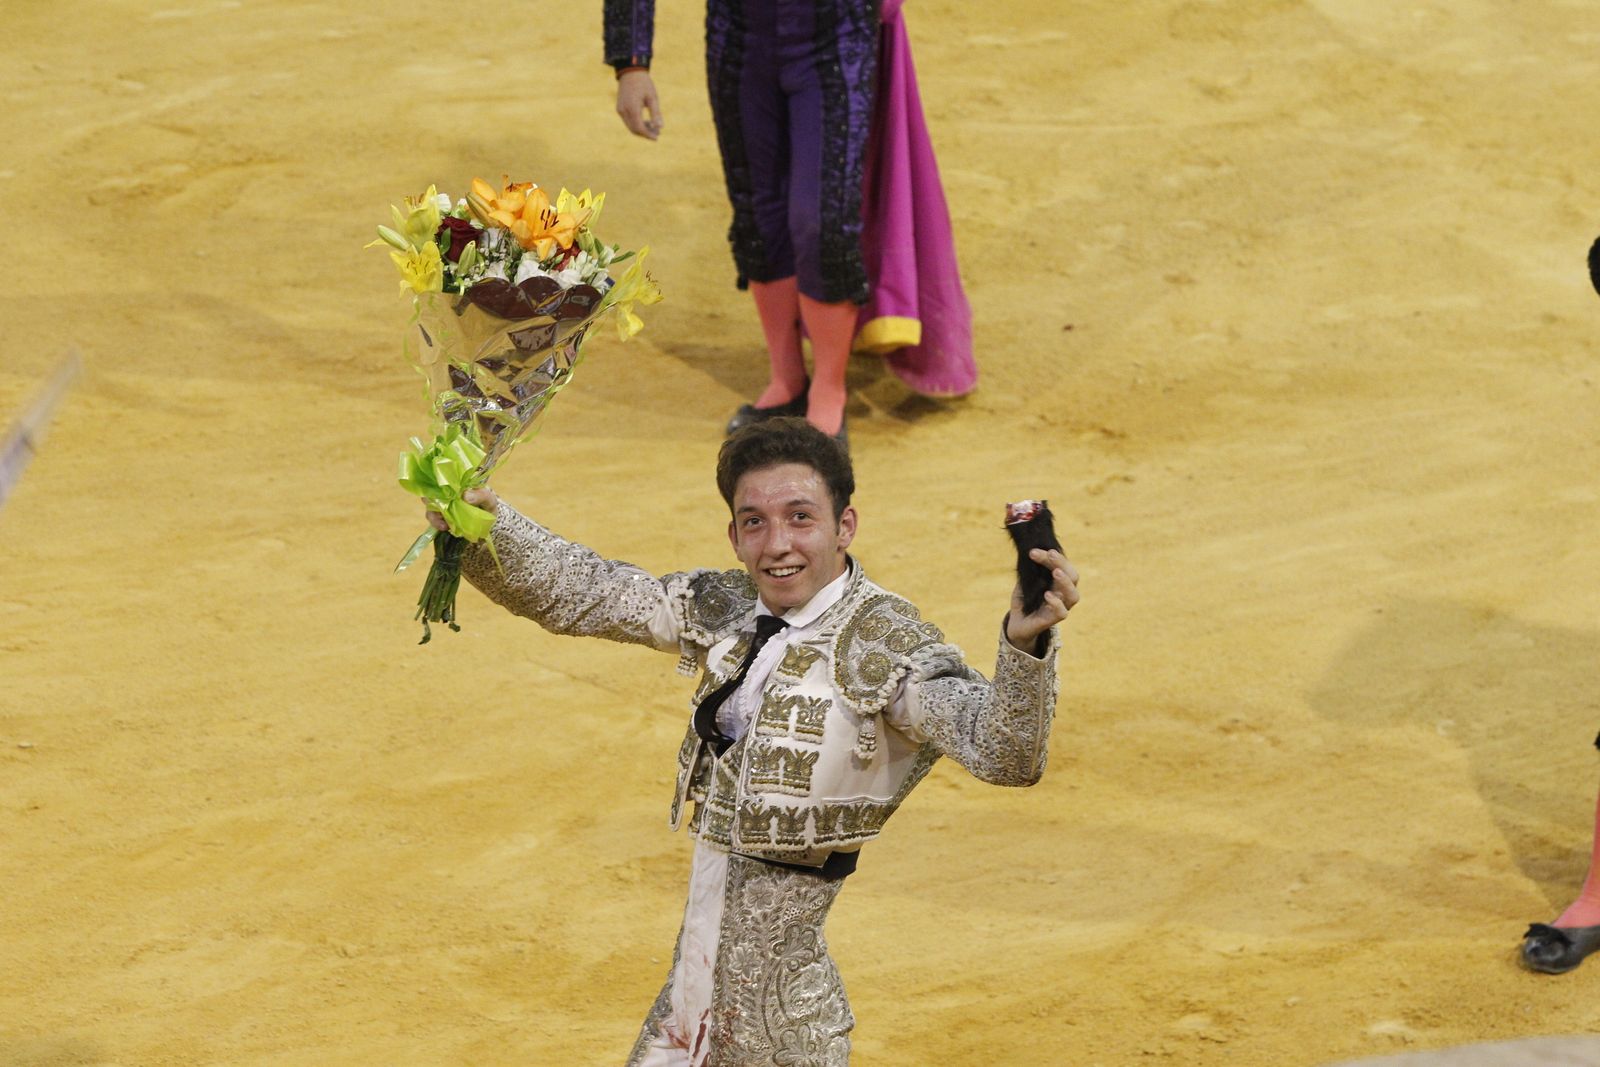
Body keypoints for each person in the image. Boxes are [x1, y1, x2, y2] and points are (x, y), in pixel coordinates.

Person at [429, 417, 1077, 1063]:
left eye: (800, 517)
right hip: (689, 1008)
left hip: (783, 1032)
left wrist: (1024, 645)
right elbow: (586, 592)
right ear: (734, 536)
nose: (777, 545)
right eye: (754, 522)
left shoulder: (885, 648)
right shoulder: (729, 607)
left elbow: (1003, 753)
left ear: (844, 526)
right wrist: (483, 524)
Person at [604, 0, 893, 442]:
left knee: (821, 219)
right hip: (740, 37)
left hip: (835, 35)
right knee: (759, 213)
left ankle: (829, 389)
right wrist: (631, 63)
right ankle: (787, 379)